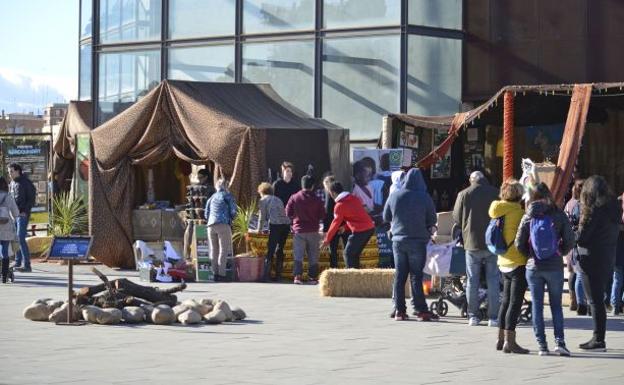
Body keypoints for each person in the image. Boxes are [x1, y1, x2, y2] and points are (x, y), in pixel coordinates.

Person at [516, 182, 575, 356]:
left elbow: (519, 243)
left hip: (534, 267)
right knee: (556, 306)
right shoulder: (558, 213)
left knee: (537, 306)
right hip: (555, 266)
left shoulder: (528, 216)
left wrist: (531, 255)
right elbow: (570, 239)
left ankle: (542, 345)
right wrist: (559, 251)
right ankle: (560, 342)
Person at [382, 168, 438, 321]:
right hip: (418, 241)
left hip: (398, 241)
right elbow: (432, 219)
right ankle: (420, 310)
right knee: (416, 276)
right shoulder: (424, 197)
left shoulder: (395, 196)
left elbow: (386, 216)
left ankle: (399, 310)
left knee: (400, 276)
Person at [576, 175, 623, 351]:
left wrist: (576, 229)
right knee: (598, 300)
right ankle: (598, 338)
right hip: (607, 257)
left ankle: (598, 339)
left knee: (595, 301)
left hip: (591, 258)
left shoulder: (594, 210)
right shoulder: (614, 207)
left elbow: (582, 238)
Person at [452, 171, 500, 326]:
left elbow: (456, 218)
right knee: (493, 279)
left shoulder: (463, 194)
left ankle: (473, 315)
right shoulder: (495, 192)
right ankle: (493, 317)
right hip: (492, 243)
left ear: (472, 180)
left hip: (471, 243)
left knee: (472, 280)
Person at [488, 180, 529, 353]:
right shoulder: (519, 214)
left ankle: (500, 338)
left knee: (505, 301)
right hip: (517, 261)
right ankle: (510, 342)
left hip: (502, 260)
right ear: (519, 195)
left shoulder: (496, 210)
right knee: (515, 302)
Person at [323, 181, 375, 269]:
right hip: (369, 228)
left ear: (333, 193)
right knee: (354, 254)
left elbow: (335, 224)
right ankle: (355, 276)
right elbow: (356, 216)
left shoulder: (339, 205)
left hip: (361, 231)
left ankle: (351, 276)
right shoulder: (353, 198)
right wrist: (345, 227)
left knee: (348, 254)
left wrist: (327, 240)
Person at [285, 175, 325, 285]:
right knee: (313, 255)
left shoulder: (294, 197)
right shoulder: (317, 199)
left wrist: (295, 218)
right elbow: (322, 215)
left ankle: (297, 277)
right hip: (313, 230)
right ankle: (312, 278)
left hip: (299, 231)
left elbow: (288, 212)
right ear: (312, 186)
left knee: (298, 254)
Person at [256, 182, 291, 282]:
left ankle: (266, 276)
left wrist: (259, 230)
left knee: (270, 249)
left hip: (275, 225)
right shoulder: (278, 199)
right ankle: (278, 275)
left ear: (261, 191)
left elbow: (261, 217)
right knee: (280, 249)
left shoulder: (263, 200)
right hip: (285, 225)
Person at [204, 178, 237, 282]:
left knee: (214, 250)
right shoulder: (227, 196)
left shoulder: (211, 198)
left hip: (210, 225)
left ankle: (215, 274)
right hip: (223, 224)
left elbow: (206, 214)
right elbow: (233, 211)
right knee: (223, 250)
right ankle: (222, 275)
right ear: (225, 186)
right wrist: (231, 219)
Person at [564, 179, 588, 314]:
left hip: (570, 240)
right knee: (578, 272)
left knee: (573, 271)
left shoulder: (568, 203)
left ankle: (573, 301)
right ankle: (578, 302)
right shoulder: (580, 205)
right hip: (578, 241)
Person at [8, 163, 35, 272]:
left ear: (18, 171)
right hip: (14, 215)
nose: (10, 174)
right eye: (9, 172)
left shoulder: (26, 182)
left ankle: (27, 265)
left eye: (11, 171)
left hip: (22, 215)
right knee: (15, 238)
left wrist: (24, 211)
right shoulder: (12, 183)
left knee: (20, 238)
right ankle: (18, 262)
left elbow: (31, 199)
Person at [322, 175, 349, 268]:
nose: (325, 188)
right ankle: (348, 268)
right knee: (346, 249)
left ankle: (334, 269)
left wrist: (326, 229)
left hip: (334, 226)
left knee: (333, 250)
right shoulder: (343, 194)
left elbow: (328, 213)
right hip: (344, 225)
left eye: (325, 185)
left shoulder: (329, 196)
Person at [0, 177, 19, 283]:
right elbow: (15, 213)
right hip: (6, 227)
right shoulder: (8, 197)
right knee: (4, 251)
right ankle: (4, 275)